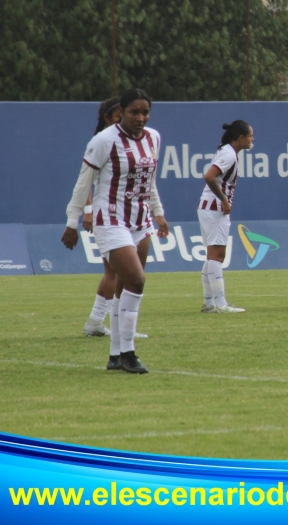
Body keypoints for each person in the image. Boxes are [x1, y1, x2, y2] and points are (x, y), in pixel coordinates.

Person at [62, 88, 169, 374]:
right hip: (110, 219)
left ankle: (114, 356)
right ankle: (129, 352)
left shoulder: (154, 138)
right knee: (136, 280)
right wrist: (73, 221)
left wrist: (158, 213)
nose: (140, 117)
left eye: (145, 112)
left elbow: (149, 181)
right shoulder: (104, 141)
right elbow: (83, 183)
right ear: (121, 112)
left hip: (140, 220)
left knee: (124, 289)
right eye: (134, 112)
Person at [82, 97, 146, 339]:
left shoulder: (132, 140)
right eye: (120, 116)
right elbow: (86, 182)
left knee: (116, 273)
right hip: (107, 215)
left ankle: (96, 321)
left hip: (127, 215)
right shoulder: (102, 141)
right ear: (108, 118)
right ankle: (118, 327)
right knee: (114, 273)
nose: (126, 120)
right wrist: (88, 212)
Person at [198, 120, 253, 314]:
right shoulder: (229, 154)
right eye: (250, 136)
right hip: (214, 208)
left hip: (207, 207)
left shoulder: (228, 152)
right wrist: (223, 199)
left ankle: (209, 303)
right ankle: (220, 304)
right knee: (217, 255)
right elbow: (209, 176)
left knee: (211, 255)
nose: (252, 139)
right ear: (240, 138)